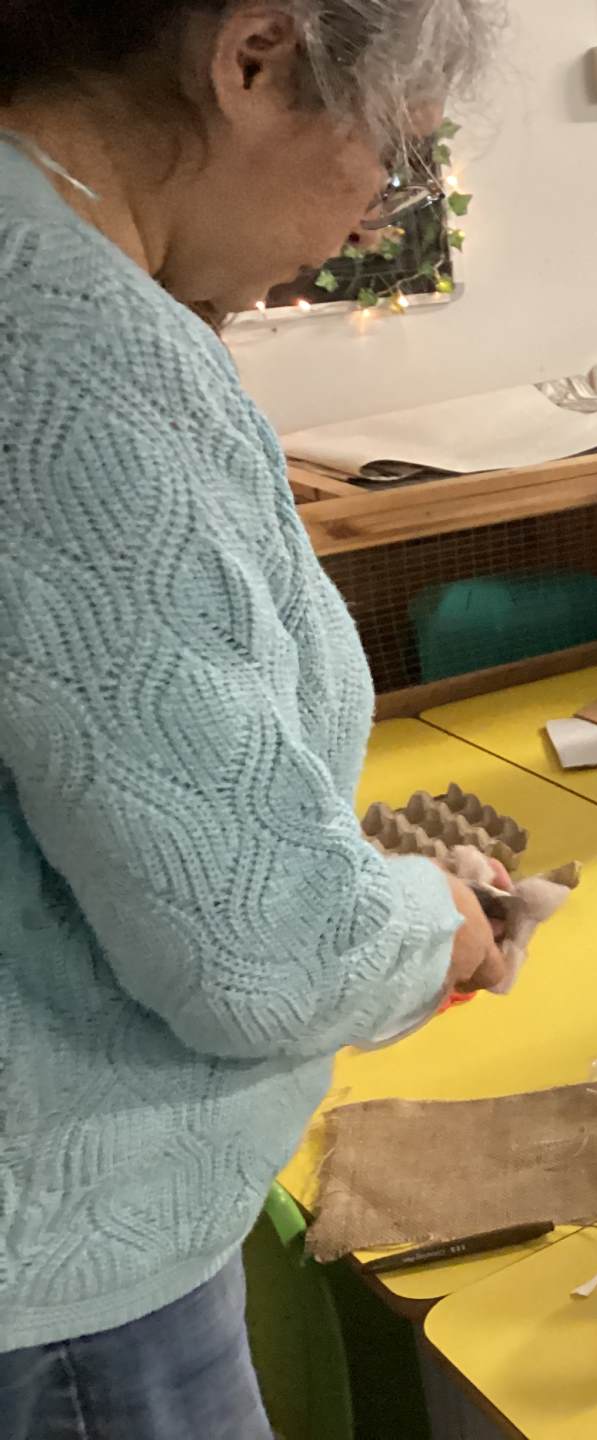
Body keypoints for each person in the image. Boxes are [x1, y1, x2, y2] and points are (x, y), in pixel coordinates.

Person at [0, 2, 508, 1432]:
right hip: (64, 1278)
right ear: (256, 58)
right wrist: (434, 924)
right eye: (391, 155)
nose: (367, 221)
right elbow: (254, 951)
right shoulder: (74, 348)